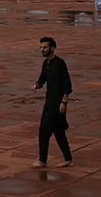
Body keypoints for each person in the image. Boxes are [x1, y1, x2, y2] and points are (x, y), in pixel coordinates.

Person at [30, 36, 73, 168]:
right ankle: (68, 159)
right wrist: (37, 85)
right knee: (58, 130)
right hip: (49, 100)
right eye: (41, 47)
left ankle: (43, 160)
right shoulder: (46, 63)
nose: (42, 50)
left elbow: (67, 83)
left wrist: (64, 102)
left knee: (44, 130)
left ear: (52, 48)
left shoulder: (59, 63)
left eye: (45, 47)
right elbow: (43, 78)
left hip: (57, 102)